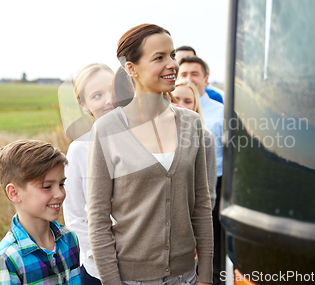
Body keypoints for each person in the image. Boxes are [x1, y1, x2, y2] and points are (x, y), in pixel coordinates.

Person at [87, 24, 213, 285]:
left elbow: (201, 206)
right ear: (131, 68)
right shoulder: (107, 129)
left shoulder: (192, 124)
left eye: (172, 55)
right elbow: (98, 220)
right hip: (132, 280)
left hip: (187, 276)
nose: (172, 65)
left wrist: (205, 277)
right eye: (159, 58)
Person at [0, 140, 81, 284]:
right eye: (47, 186)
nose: (59, 194)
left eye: (61, 184)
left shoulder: (70, 239)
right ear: (14, 193)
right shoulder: (5, 260)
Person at [63, 63, 114, 285]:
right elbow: (74, 215)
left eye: (113, 90)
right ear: (84, 105)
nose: (109, 100)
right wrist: (104, 258)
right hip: (99, 269)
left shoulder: (145, 140)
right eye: (97, 95)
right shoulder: (79, 149)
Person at [178, 55, 224, 285]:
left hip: (212, 184)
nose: (189, 78)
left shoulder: (221, 112)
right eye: (183, 73)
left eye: (194, 73)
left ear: (206, 78)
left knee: (210, 248)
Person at [172, 78, 217, 210]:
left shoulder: (205, 137)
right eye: (175, 99)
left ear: (195, 107)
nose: (180, 105)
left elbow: (208, 191)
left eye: (188, 101)